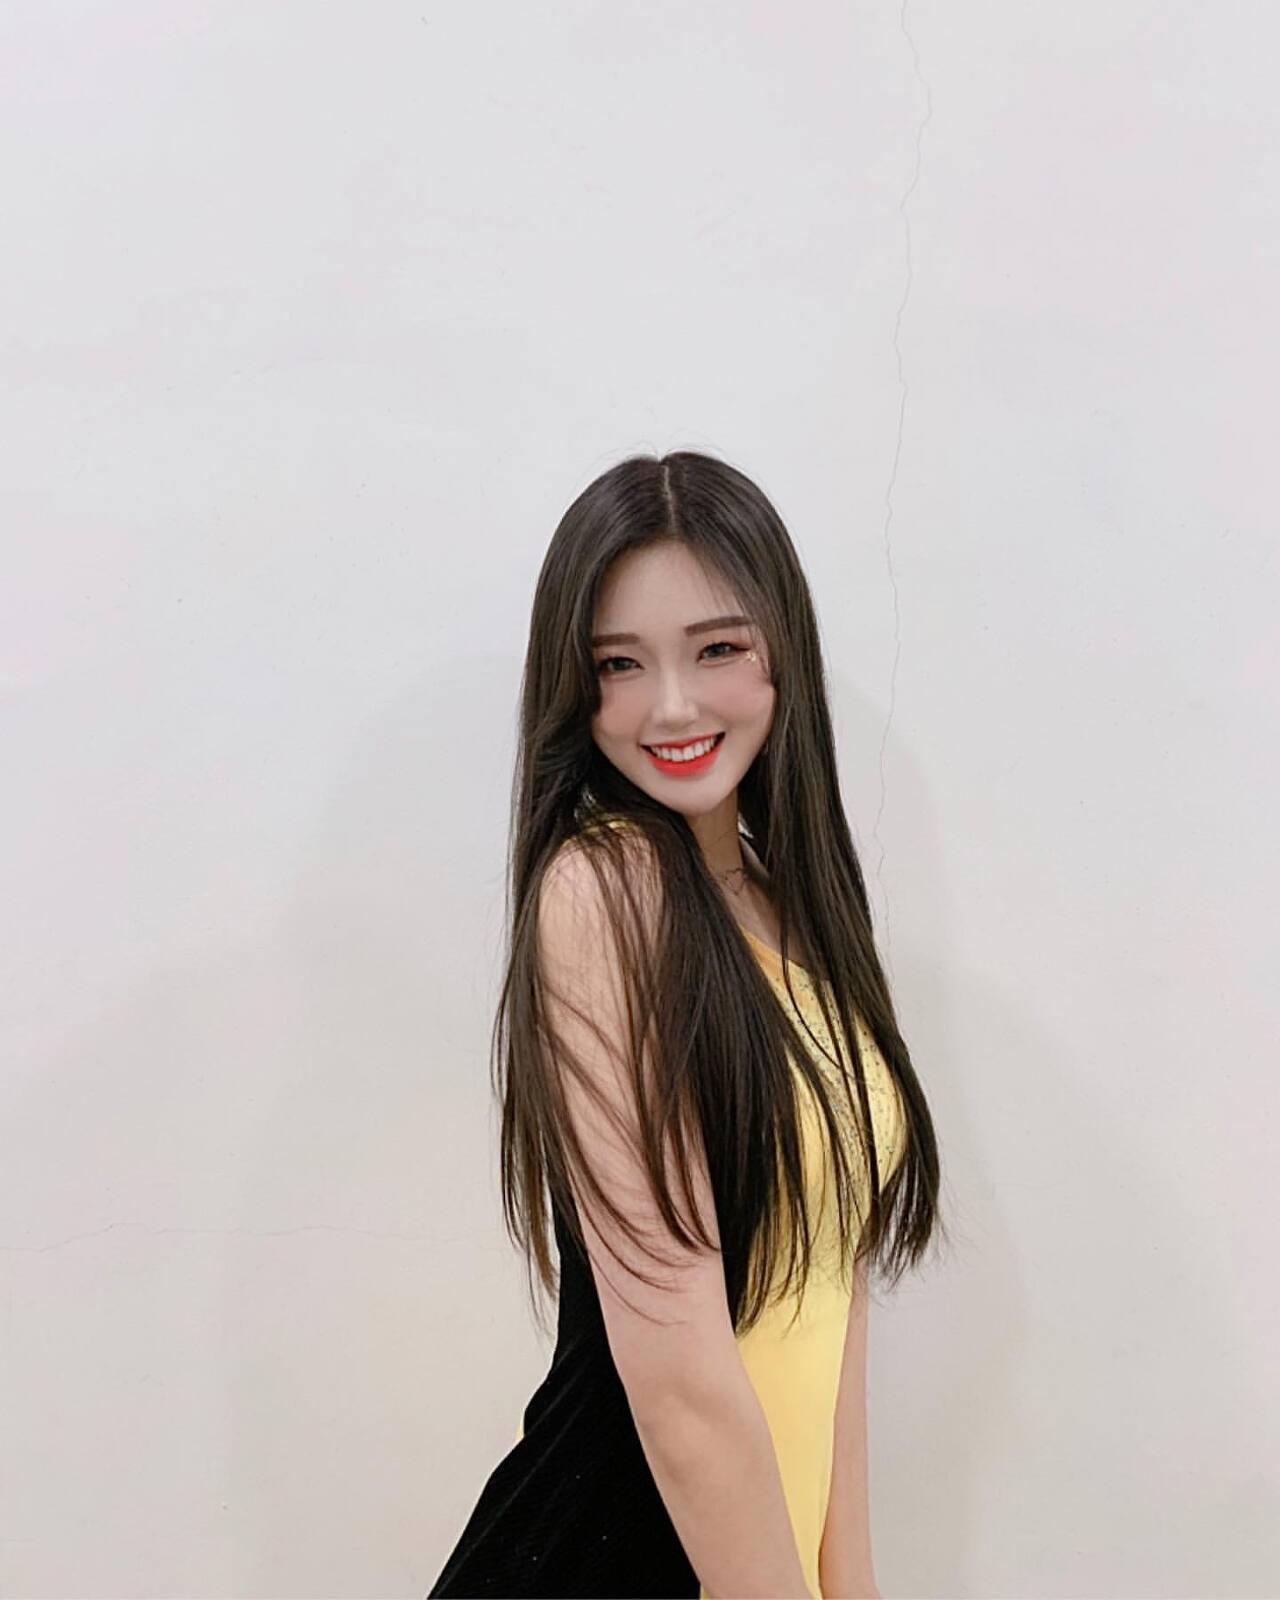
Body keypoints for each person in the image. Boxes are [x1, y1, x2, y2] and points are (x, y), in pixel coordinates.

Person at [427, 451, 947, 1599]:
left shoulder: (795, 908)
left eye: (715, 648)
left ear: (779, 650)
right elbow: (679, 1389)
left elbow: (827, 1303)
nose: (669, 705)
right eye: (618, 664)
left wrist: (847, 1585)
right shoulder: (604, 891)